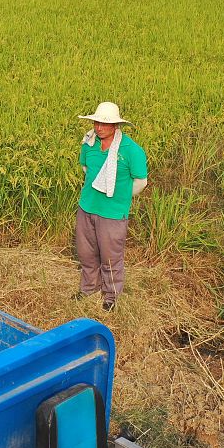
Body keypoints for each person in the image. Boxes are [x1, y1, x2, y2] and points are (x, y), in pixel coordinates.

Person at [75, 102, 148, 312]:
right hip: (87, 207)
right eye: (97, 122)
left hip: (113, 213)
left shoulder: (132, 150)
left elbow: (140, 182)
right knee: (86, 254)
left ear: (116, 125)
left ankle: (111, 296)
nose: (99, 128)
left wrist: (119, 197)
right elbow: (86, 168)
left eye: (105, 124)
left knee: (110, 257)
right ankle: (88, 289)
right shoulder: (88, 144)